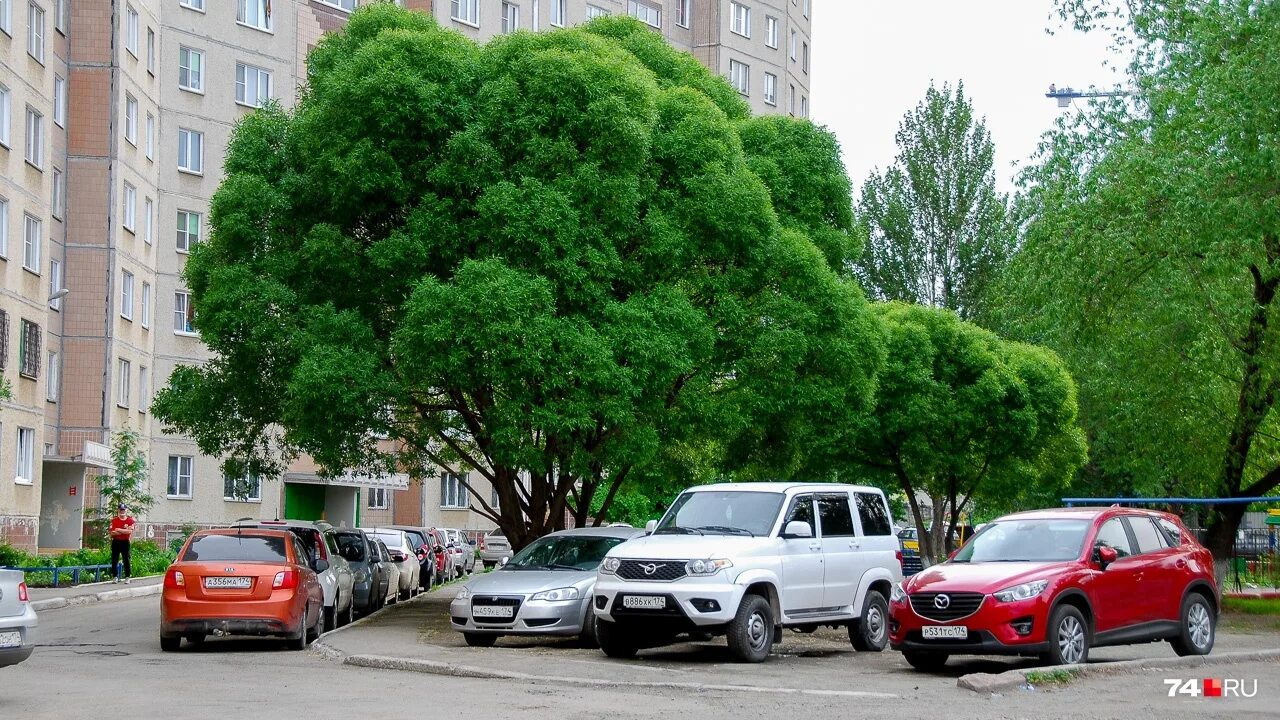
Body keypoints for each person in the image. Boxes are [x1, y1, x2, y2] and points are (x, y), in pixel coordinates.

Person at [110, 505, 135, 584]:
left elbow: (129, 532)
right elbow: (112, 533)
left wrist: (118, 530)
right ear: (118, 510)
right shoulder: (114, 520)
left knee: (126, 559)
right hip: (116, 542)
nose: (122, 511)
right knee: (114, 559)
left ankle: (127, 576)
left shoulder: (130, 521)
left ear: (126, 510)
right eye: (121, 510)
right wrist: (124, 530)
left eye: (123, 510)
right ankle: (115, 576)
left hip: (125, 542)